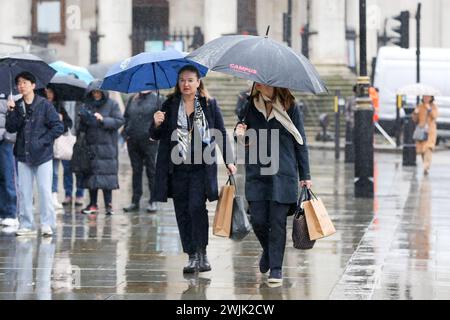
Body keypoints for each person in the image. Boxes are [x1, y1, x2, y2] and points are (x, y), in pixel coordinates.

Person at [150, 65, 237, 274]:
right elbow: (155, 136)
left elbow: (220, 134)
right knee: (182, 212)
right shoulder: (170, 104)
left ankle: (202, 253)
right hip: (177, 168)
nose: (185, 84)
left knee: (196, 208)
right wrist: (156, 123)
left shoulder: (209, 104)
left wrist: (229, 160)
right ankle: (190, 255)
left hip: (201, 167)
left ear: (198, 82)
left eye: (190, 80)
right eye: (182, 80)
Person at [235, 83, 312, 283]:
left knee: (277, 223)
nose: (258, 81)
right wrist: (240, 134)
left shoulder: (290, 106)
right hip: (257, 172)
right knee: (258, 220)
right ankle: (269, 252)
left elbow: (300, 141)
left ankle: (276, 268)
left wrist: (305, 175)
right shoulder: (249, 105)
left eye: (263, 78)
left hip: (283, 173)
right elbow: (243, 136)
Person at [6, 71, 64, 237]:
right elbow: (11, 128)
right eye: (19, 83)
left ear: (33, 85)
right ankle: (26, 224)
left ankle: (47, 224)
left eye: (24, 82)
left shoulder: (44, 105)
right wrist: (10, 111)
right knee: (24, 192)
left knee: (45, 191)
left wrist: (44, 141)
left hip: (43, 156)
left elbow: (57, 127)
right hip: (23, 155)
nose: (21, 86)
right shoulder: (17, 105)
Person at [79, 80, 124, 215]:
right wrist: (84, 118)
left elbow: (119, 121)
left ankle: (108, 205)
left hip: (107, 147)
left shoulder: (112, 104)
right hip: (91, 146)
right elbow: (81, 128)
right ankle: (92, 204)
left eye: (98, 92)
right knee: (92, 176)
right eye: (94, 92)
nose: (96, 95)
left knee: (107, 177)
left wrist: (103, 119)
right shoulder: (88, 105)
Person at [122, 90, 162, 213]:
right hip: (133, 141)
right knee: (136, 171)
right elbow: (126, 117)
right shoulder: (132, 99)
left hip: (150, 141)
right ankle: (135, 201)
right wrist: (126, 134)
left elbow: (164, 120)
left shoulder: (157, 99)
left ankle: (153, 200)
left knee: (151, 170)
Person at [44, 87, 73, 210]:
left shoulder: (59, 107)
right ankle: (46, 197)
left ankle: (54, 196)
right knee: (45, 173)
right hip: (44, 143)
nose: (49, 95)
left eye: (51, 92)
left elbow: (68, 124)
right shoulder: (40, 105)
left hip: (57, 145)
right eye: (46, 92)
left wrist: (60, 120)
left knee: (55, 172)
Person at [0, 96, 18, 228]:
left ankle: (10, 213)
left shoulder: (9, 91)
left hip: (4, 140)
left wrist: (8, 136)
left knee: (7, 176)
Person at [412, 95, 438, 175]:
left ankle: (426, 166)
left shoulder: (433, 106)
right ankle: (425, 164)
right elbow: (415, 120)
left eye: (428, 97)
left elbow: (435, 116)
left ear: (431, 98)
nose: (426, 98)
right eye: (424, 97)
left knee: (428, 148)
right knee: (422, 150)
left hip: (430, 131)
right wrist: (415, 113)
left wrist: (429, 109)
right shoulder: (419, 106)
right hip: (421, 130)